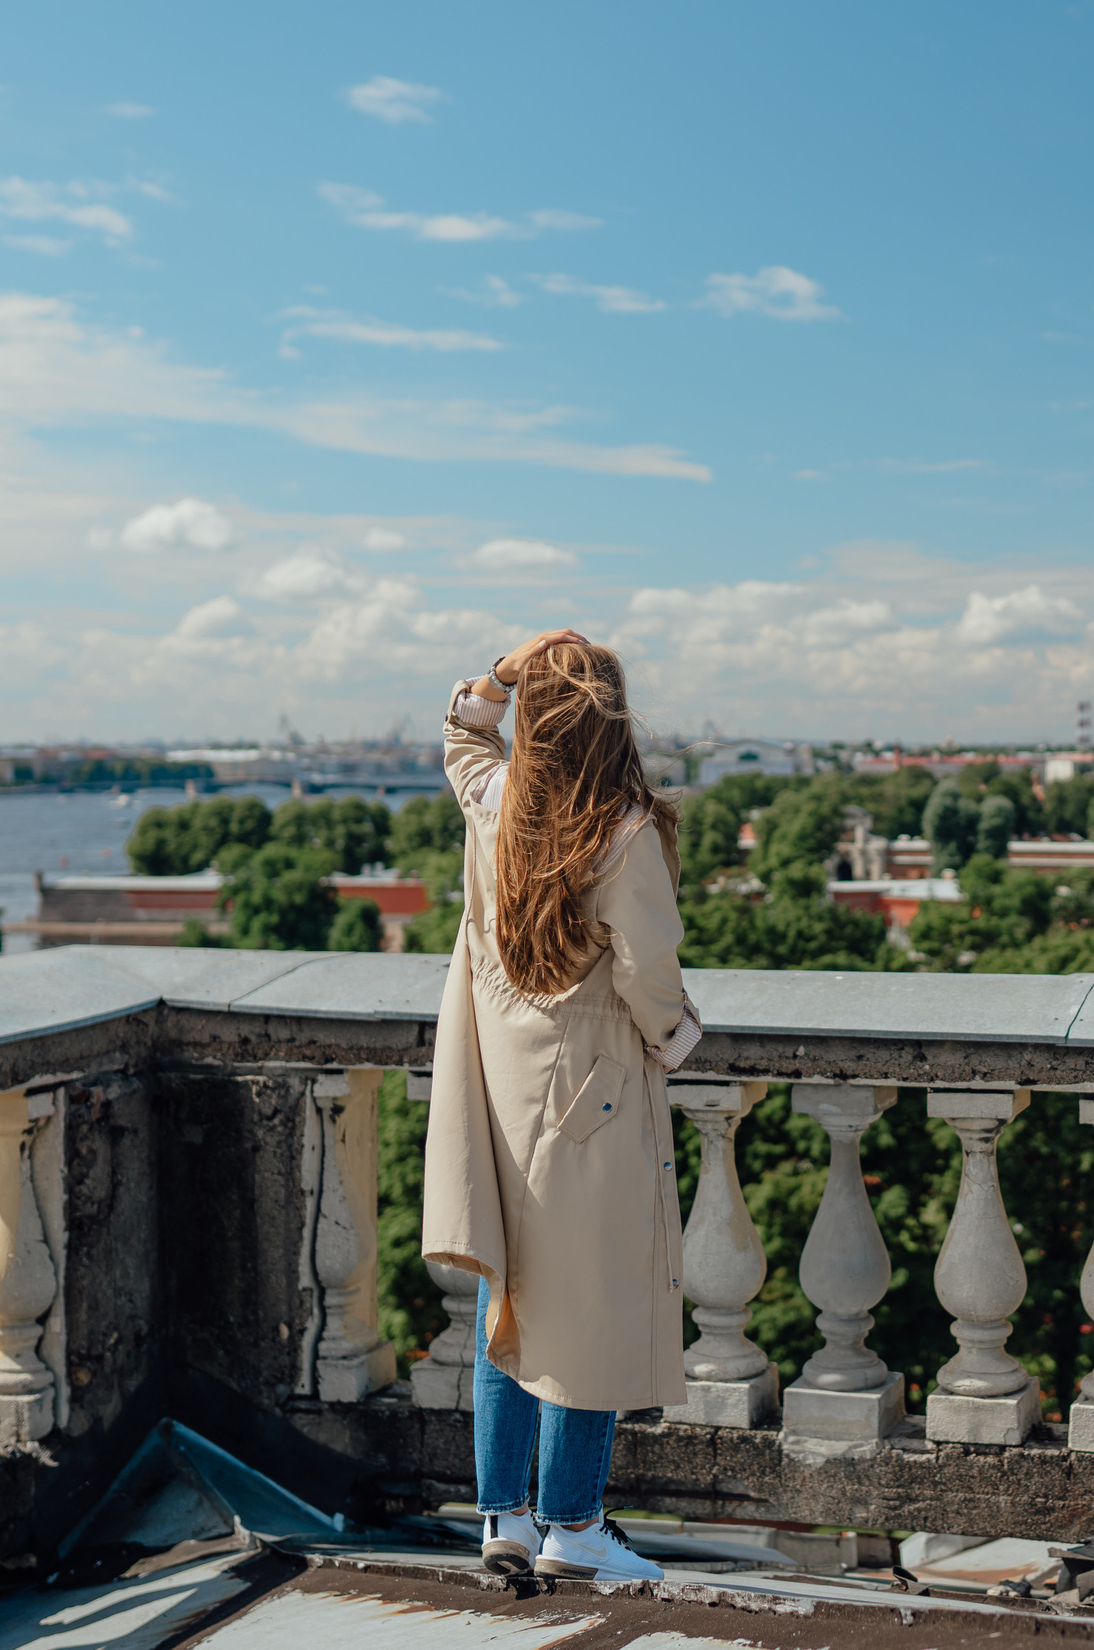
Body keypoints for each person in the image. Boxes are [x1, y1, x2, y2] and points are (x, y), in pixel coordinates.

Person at [419, 630, 699, 1584]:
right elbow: (650, 976)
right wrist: (675, 1039)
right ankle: (573, 1526)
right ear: (611, 722)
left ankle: (502, 1517)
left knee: (510, 1296)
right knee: (593, 1302)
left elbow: (463, 734)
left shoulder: (498, 802)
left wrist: (506, 671)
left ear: (538, 720)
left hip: (500, 1085)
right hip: (593, 1095)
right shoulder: (622, 830)